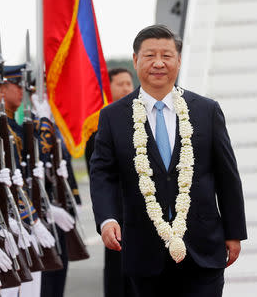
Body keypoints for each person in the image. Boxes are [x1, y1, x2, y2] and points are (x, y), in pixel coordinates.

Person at [90, 24, 247, 297]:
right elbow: (102, 173)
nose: (159, 63)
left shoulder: (206, 111)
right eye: (150, 55)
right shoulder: (113, 117)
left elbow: (226, 175)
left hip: (203, 247)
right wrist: (107, 219)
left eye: (167, 55)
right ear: (136, 60)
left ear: (179, 61)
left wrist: (234, 231)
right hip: (144, 249)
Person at [86, 67, 135, 297]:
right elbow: (100, 174)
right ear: (108, 88)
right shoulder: (100, 128)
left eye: (129, 83)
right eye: (120, 83)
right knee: (118, 277)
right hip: (119, 216)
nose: (126, 88)